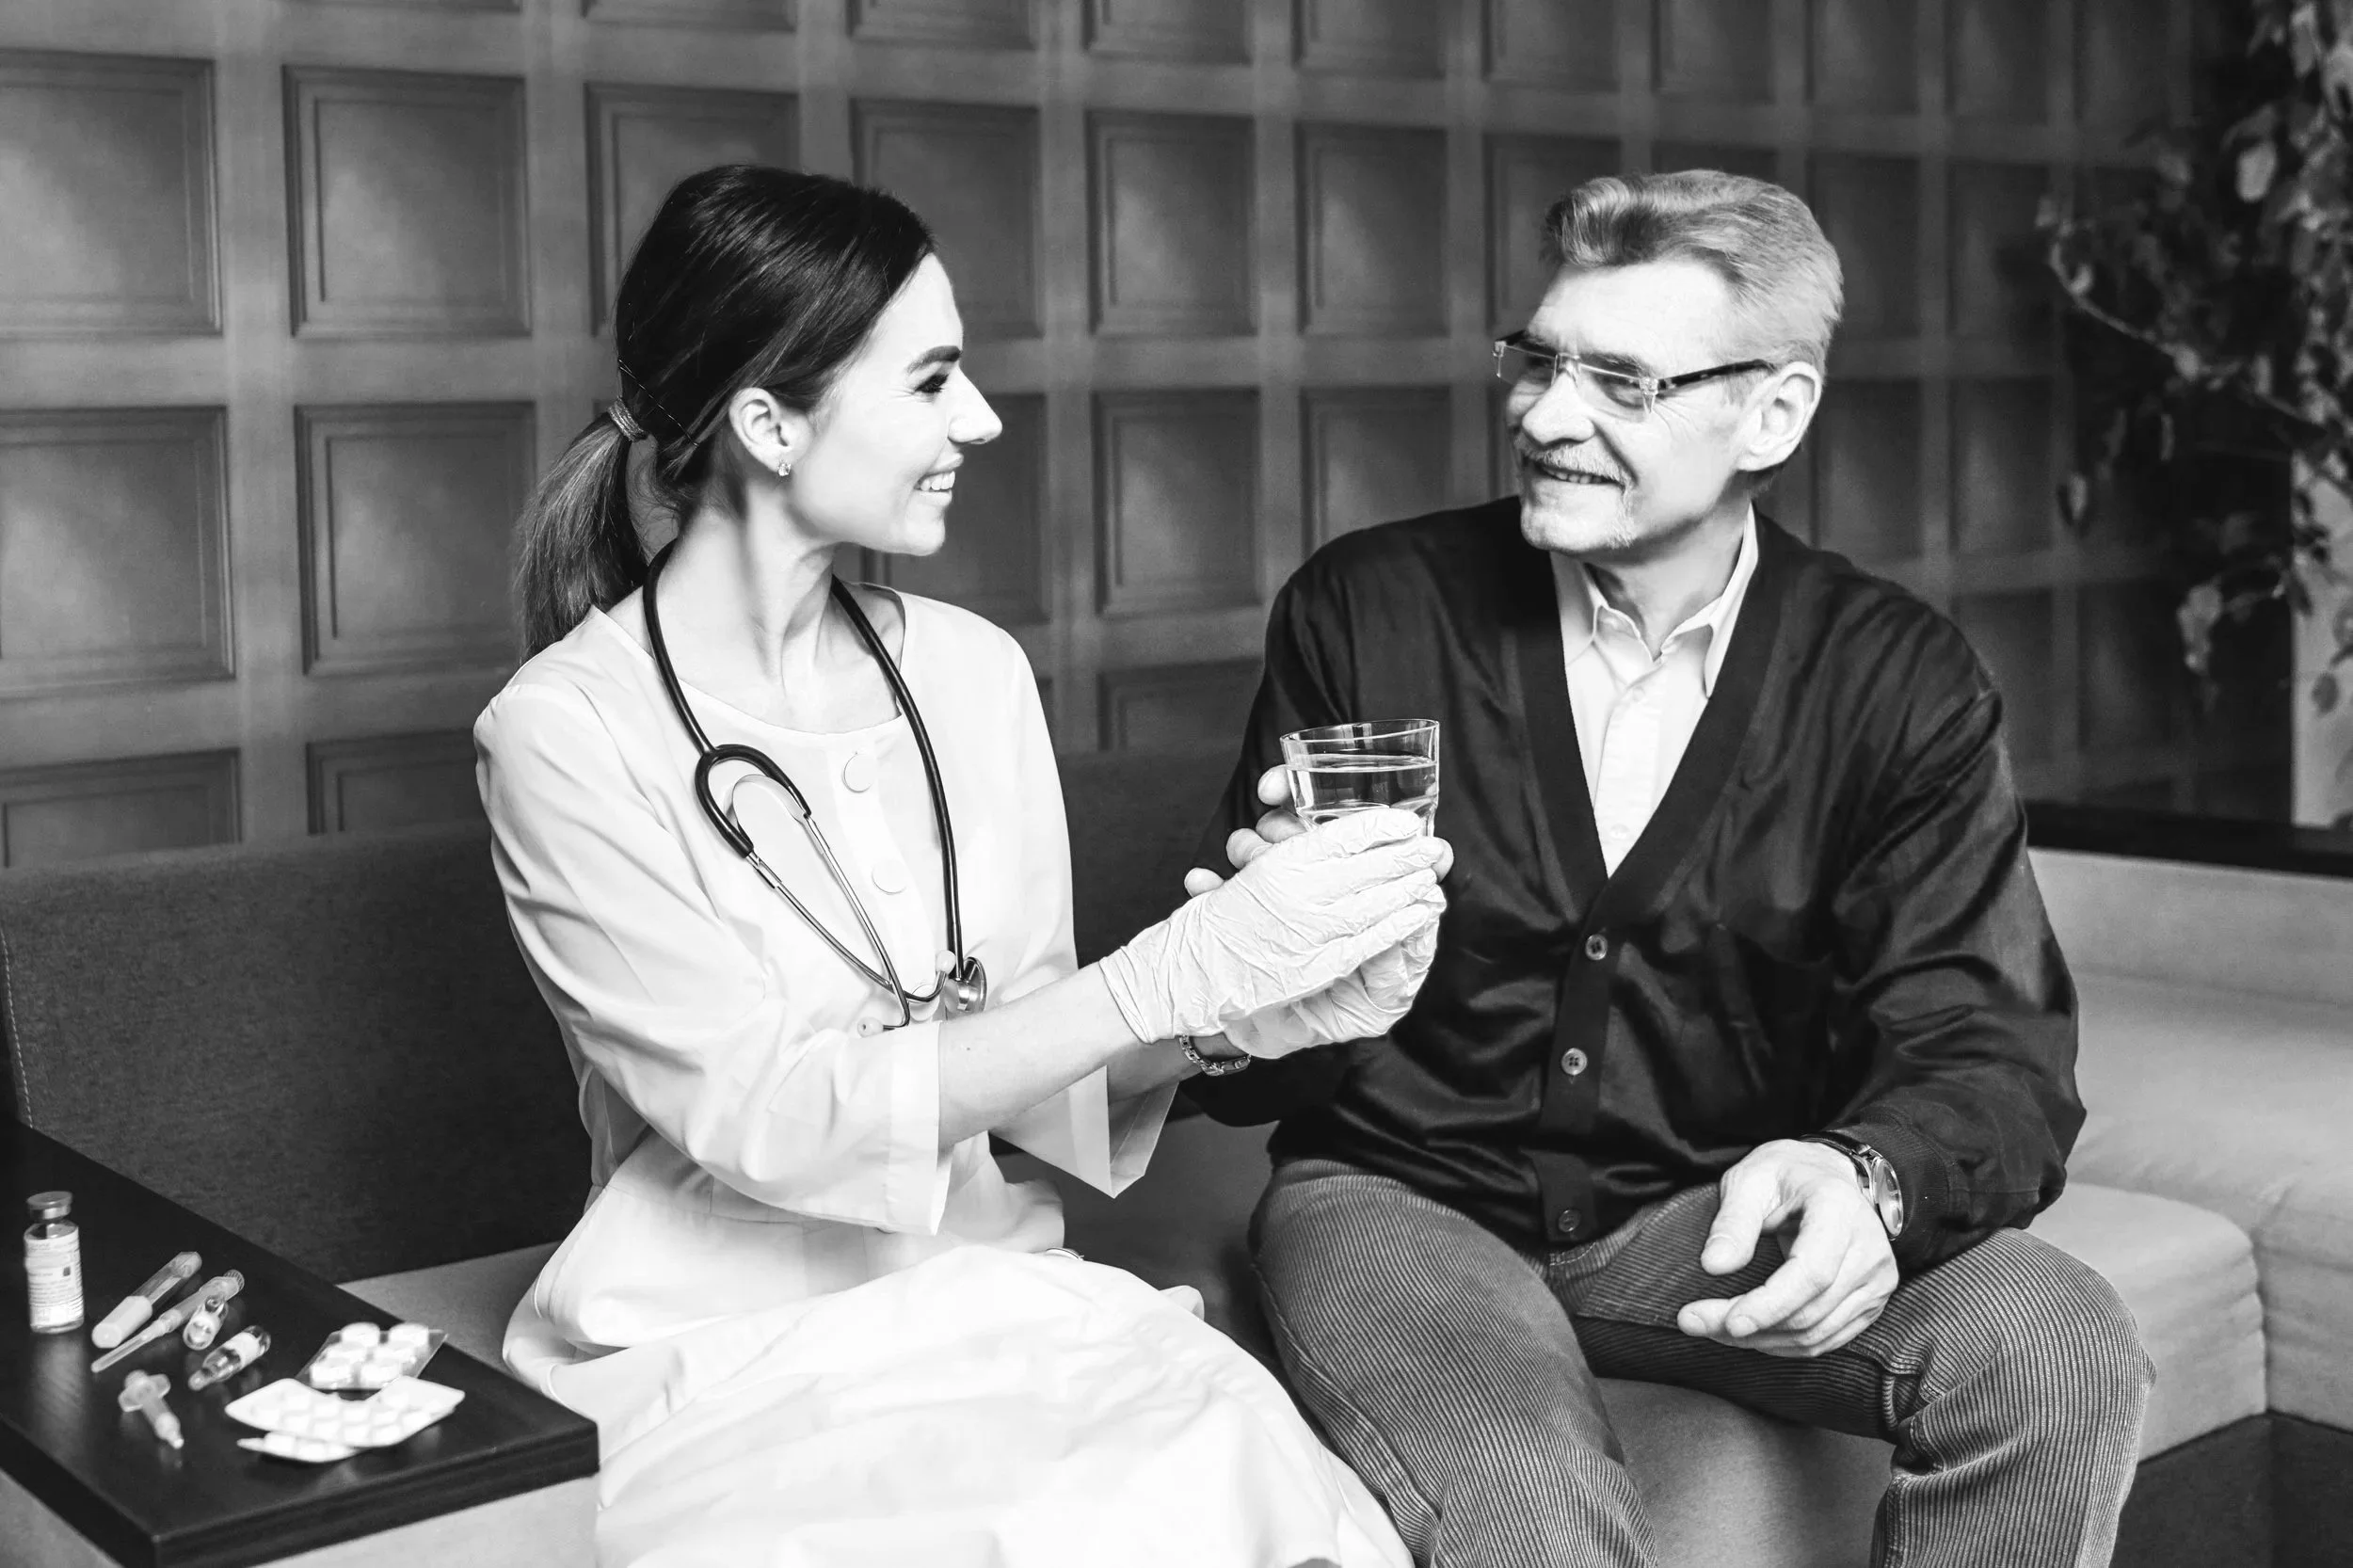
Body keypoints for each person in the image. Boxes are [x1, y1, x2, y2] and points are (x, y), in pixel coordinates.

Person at [1182, 170, 2156, 1568]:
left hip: (1703, 1208)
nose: (1546, 414)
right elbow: (1262, 1072)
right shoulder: (1371, 606)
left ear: (1775, 412)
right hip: (1401, 1201)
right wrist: (1258, 967)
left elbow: (1989, 1039)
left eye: (1622, 382)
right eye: (1540, 360)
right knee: (1530, 1507)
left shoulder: (1896, 675)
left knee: (2056, 1345)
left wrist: (1871, 1179)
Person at [476, 165, 1439, 1568]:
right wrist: (1160, 975)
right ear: (768, 422)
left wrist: (1235, 1017)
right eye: (931, 381)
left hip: (989, 1288)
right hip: (724, 1344)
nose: (978, 420)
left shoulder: (974, 677)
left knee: (1248, 1488)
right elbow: (771, 1116)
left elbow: (1031, 1073)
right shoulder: (564, 734)